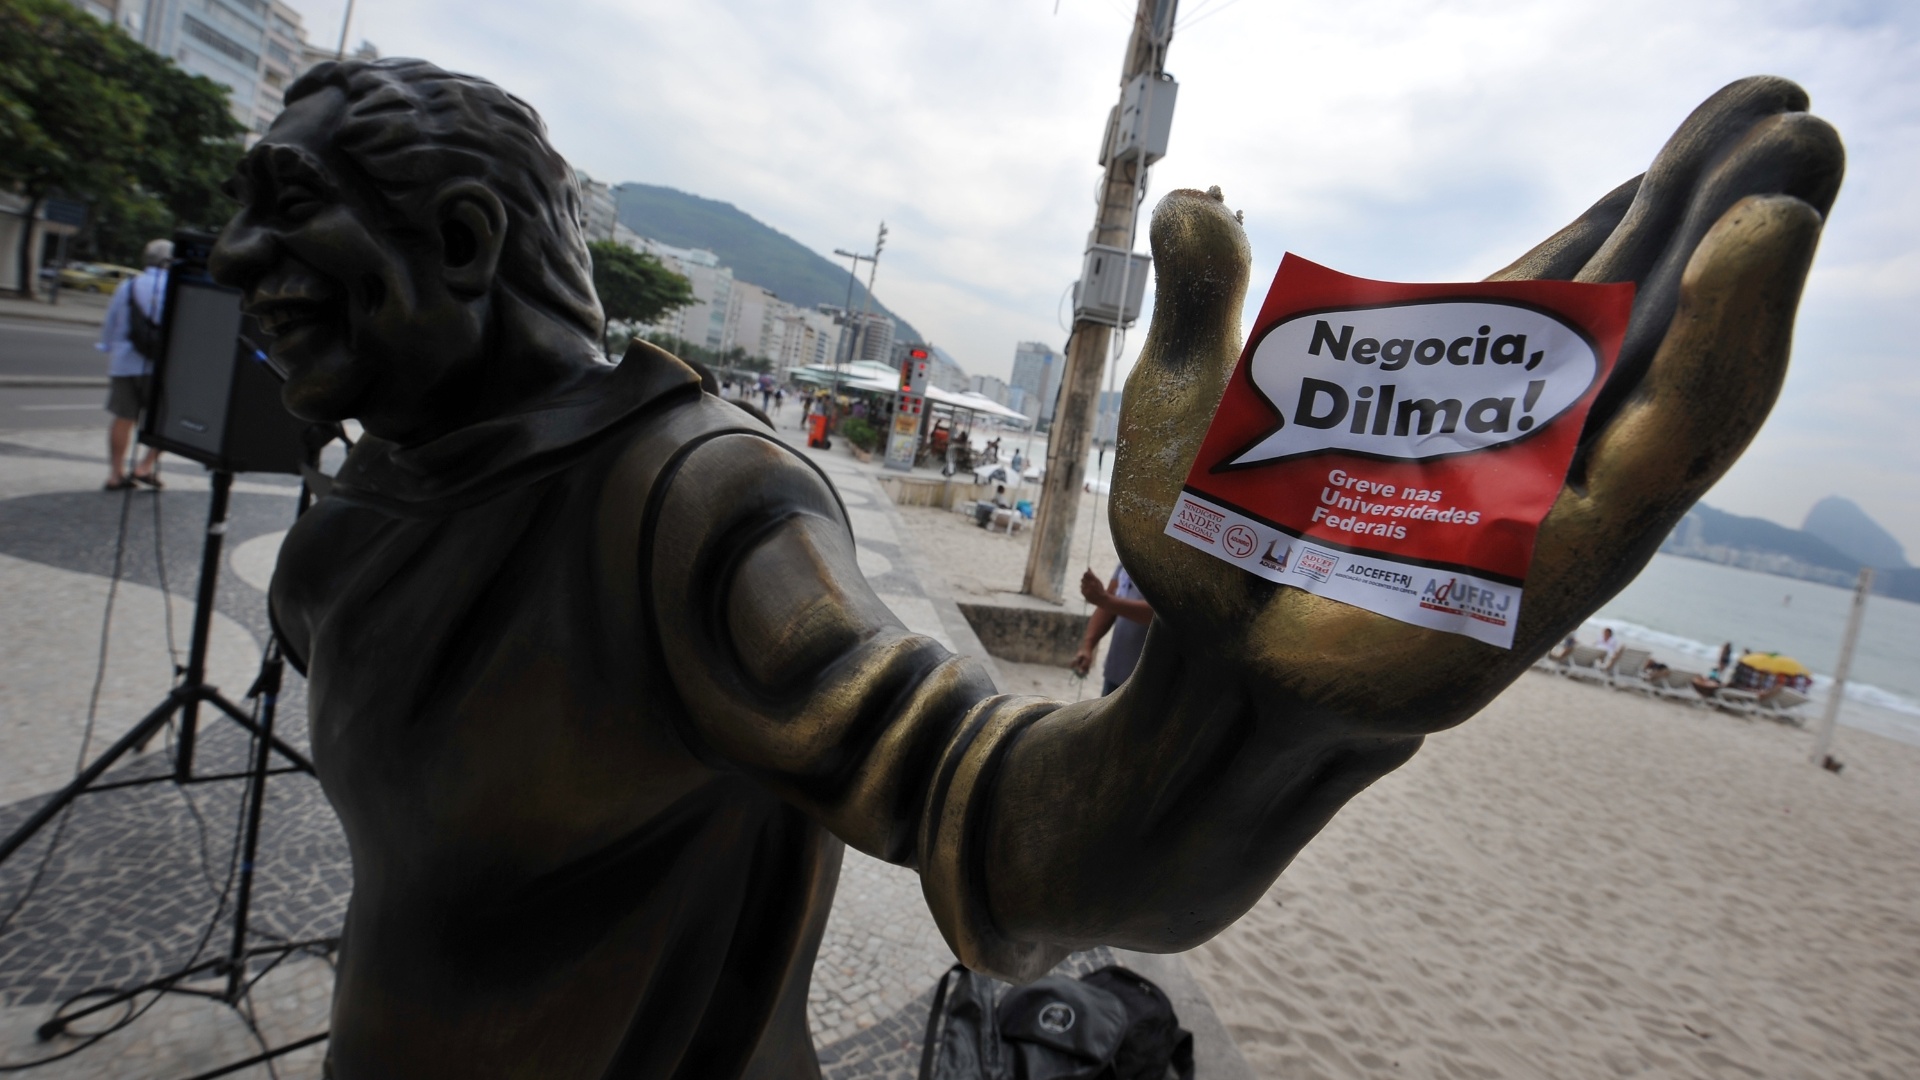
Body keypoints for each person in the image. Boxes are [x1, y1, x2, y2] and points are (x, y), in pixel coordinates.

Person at [208, 58, 1838, 1080]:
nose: (236, 264)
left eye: (289, 217)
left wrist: (1236, 717)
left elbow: (990, 811)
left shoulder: (692, 507)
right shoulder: (376, 496)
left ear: (472, 246)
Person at [96, 239, 170, 490]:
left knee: (123, 417)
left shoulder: (128, 286)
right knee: (165, 421)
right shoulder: (177, 287)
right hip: (162, 367)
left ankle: (116, 474)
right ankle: (145, 466)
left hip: (126, 361)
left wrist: (108, 347)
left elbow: (112, 322)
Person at [1073, 565, 1153, 696]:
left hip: (1151, 683)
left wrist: (1104, 600)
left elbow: (1158, 613)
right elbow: (1110, 600)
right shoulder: (1128, 557)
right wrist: (1088, 645)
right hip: (1115, 673)